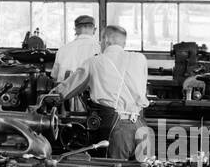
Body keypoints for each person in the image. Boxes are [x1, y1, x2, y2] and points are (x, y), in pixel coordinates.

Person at [54, 25, 150, 158]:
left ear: (105, 40)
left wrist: (49, 96)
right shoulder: (141, 59)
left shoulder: (94, 62)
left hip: (117, 128)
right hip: (141, 125)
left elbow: (67, 89)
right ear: (124, 43)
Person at [51, 15, 100, 84]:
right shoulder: (100, 49)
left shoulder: (62, 50)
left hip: (66, 92)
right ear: (94, 30)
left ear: (75, 30)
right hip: (92, 92)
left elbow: (54, 76)